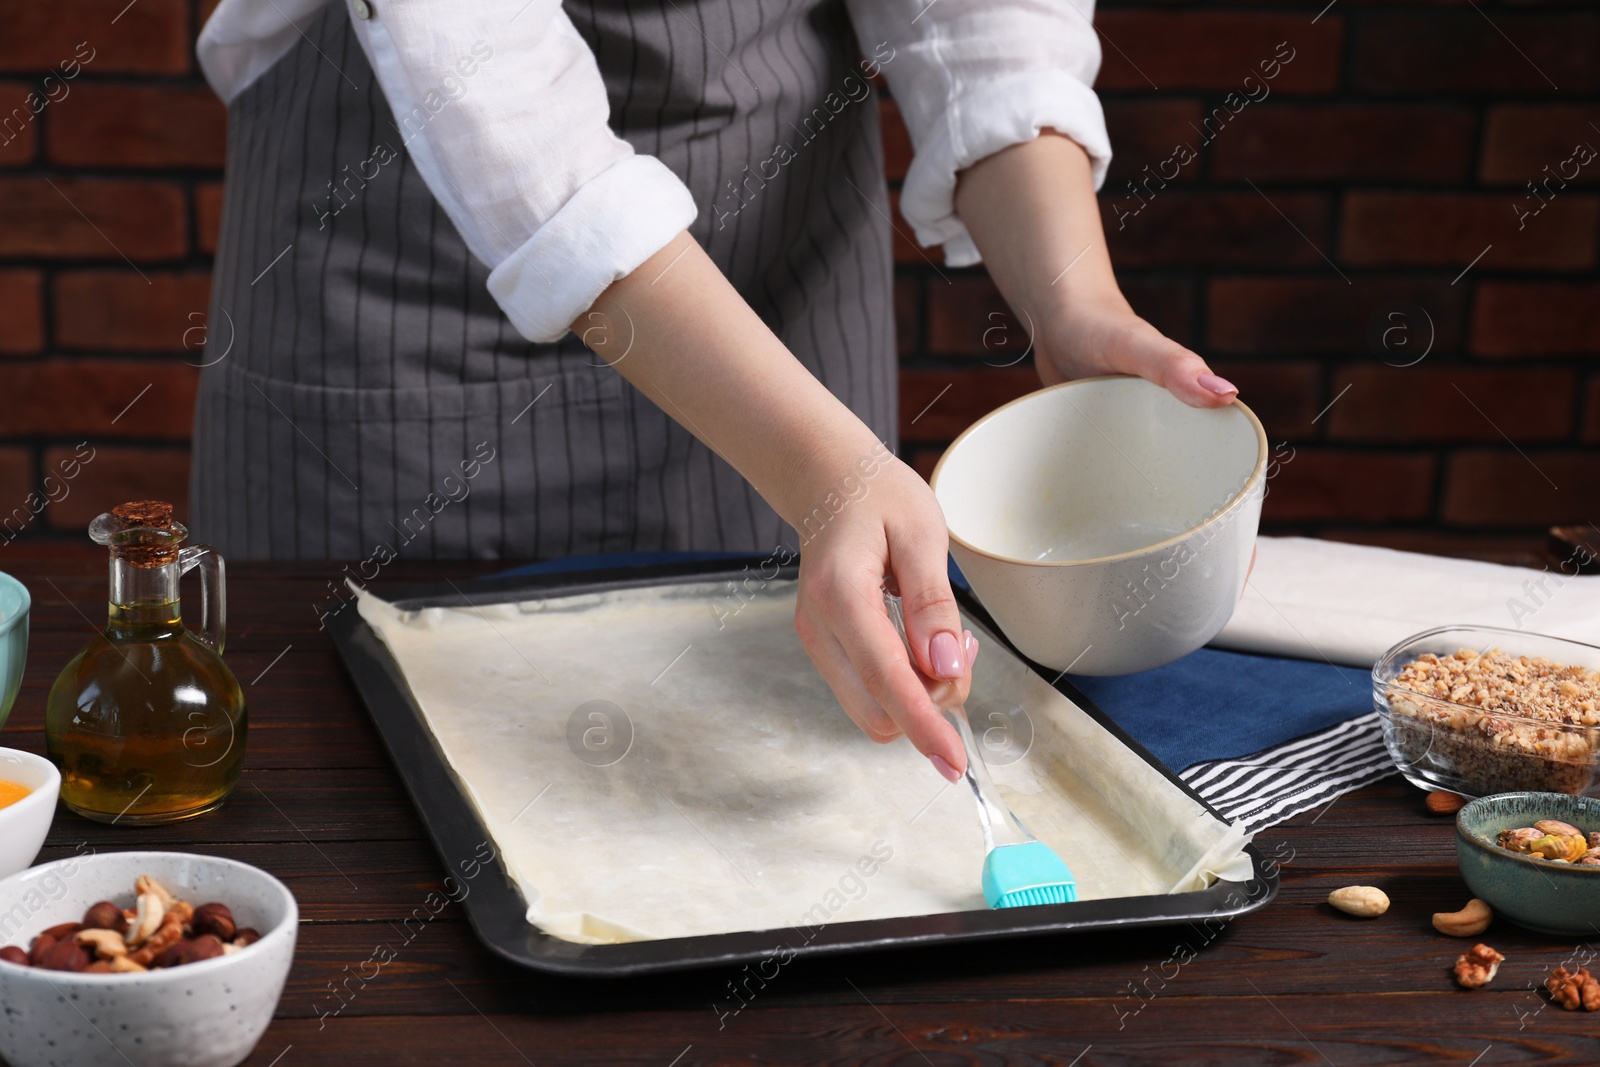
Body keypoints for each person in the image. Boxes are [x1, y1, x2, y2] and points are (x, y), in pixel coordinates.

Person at [193, 0, 1240, 784]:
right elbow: (488, 78)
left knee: (790, 780)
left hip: (777, 262)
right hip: (394, 266)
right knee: (373, 794)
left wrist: (1070, 299)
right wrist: (822, 465)